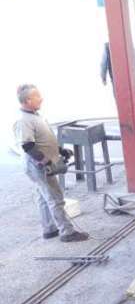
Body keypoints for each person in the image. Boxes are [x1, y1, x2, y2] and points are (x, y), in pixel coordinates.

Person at [13, 84, 89, 242]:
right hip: (37, 166)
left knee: (44, 196)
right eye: (37, 96)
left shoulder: (35, 116)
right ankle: (67, 232)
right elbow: (28, 146)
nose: (41, 98)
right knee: (55, 198)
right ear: (28, 100)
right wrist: (45, 162)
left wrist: (60, 150)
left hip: (39, 164)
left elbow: (44, 139)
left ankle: (49, 229)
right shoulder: (23, 120)